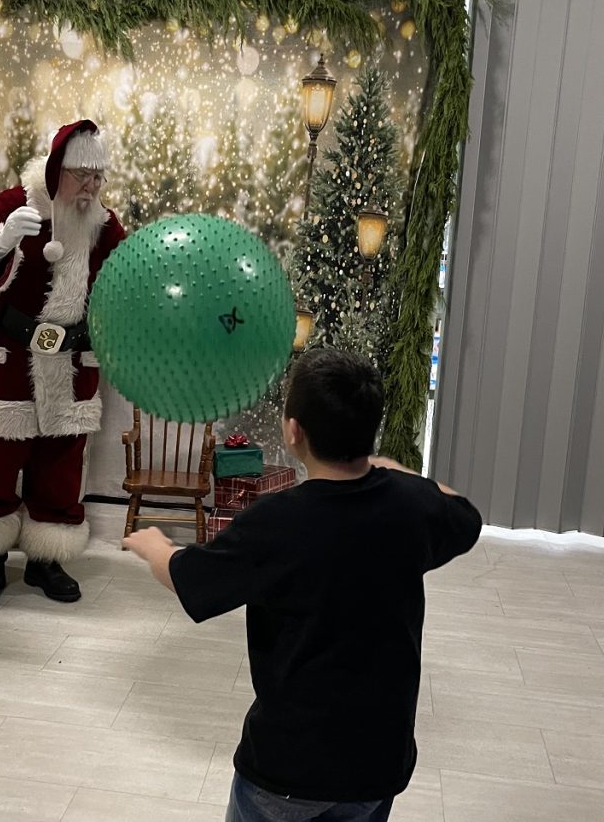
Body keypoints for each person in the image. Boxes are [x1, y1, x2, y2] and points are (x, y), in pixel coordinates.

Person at [124, 347, 482, 821]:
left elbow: (192, 579)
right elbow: (465, 516)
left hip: (288, 766)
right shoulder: (410, 505)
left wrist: (155, 547)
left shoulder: (277, 521)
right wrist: (397, 470)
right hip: (378, 761)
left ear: (293, 431)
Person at [0, 120, 126, 610]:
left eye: (97, 178)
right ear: (55, 170)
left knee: (60, 468)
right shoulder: (13, 205)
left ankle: (46, 560)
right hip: (8, 359)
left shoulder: (105, 226)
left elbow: (127, 286)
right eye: (81, 176)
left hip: (69, 366)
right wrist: (1, 243)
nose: (90, 187)